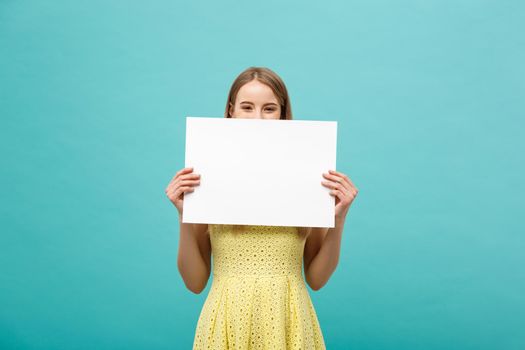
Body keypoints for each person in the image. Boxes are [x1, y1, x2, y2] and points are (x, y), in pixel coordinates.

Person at [165, 67, 358, 349]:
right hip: (227, 320)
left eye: (269, 108)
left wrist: (339, 219)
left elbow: (316, 279)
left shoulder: (307, 176)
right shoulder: (208, 176)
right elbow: (194, 282)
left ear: (282, 113)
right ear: (231, 111)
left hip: (288, 320)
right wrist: (184, 213)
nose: (258, 118)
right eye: (247, 107)